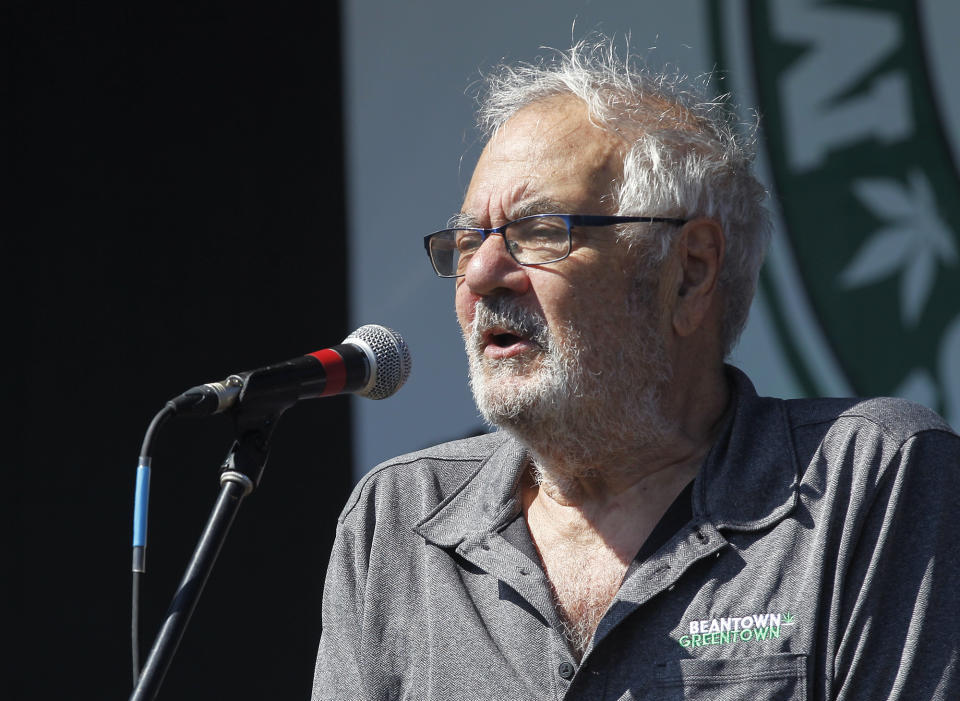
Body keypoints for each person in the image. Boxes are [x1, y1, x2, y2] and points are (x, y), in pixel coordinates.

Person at [312, 40, 959, 700]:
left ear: (690, 272)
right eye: (470, 239)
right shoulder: (396, 518)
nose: (480, 273)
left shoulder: (867, 479)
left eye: (538, 231)